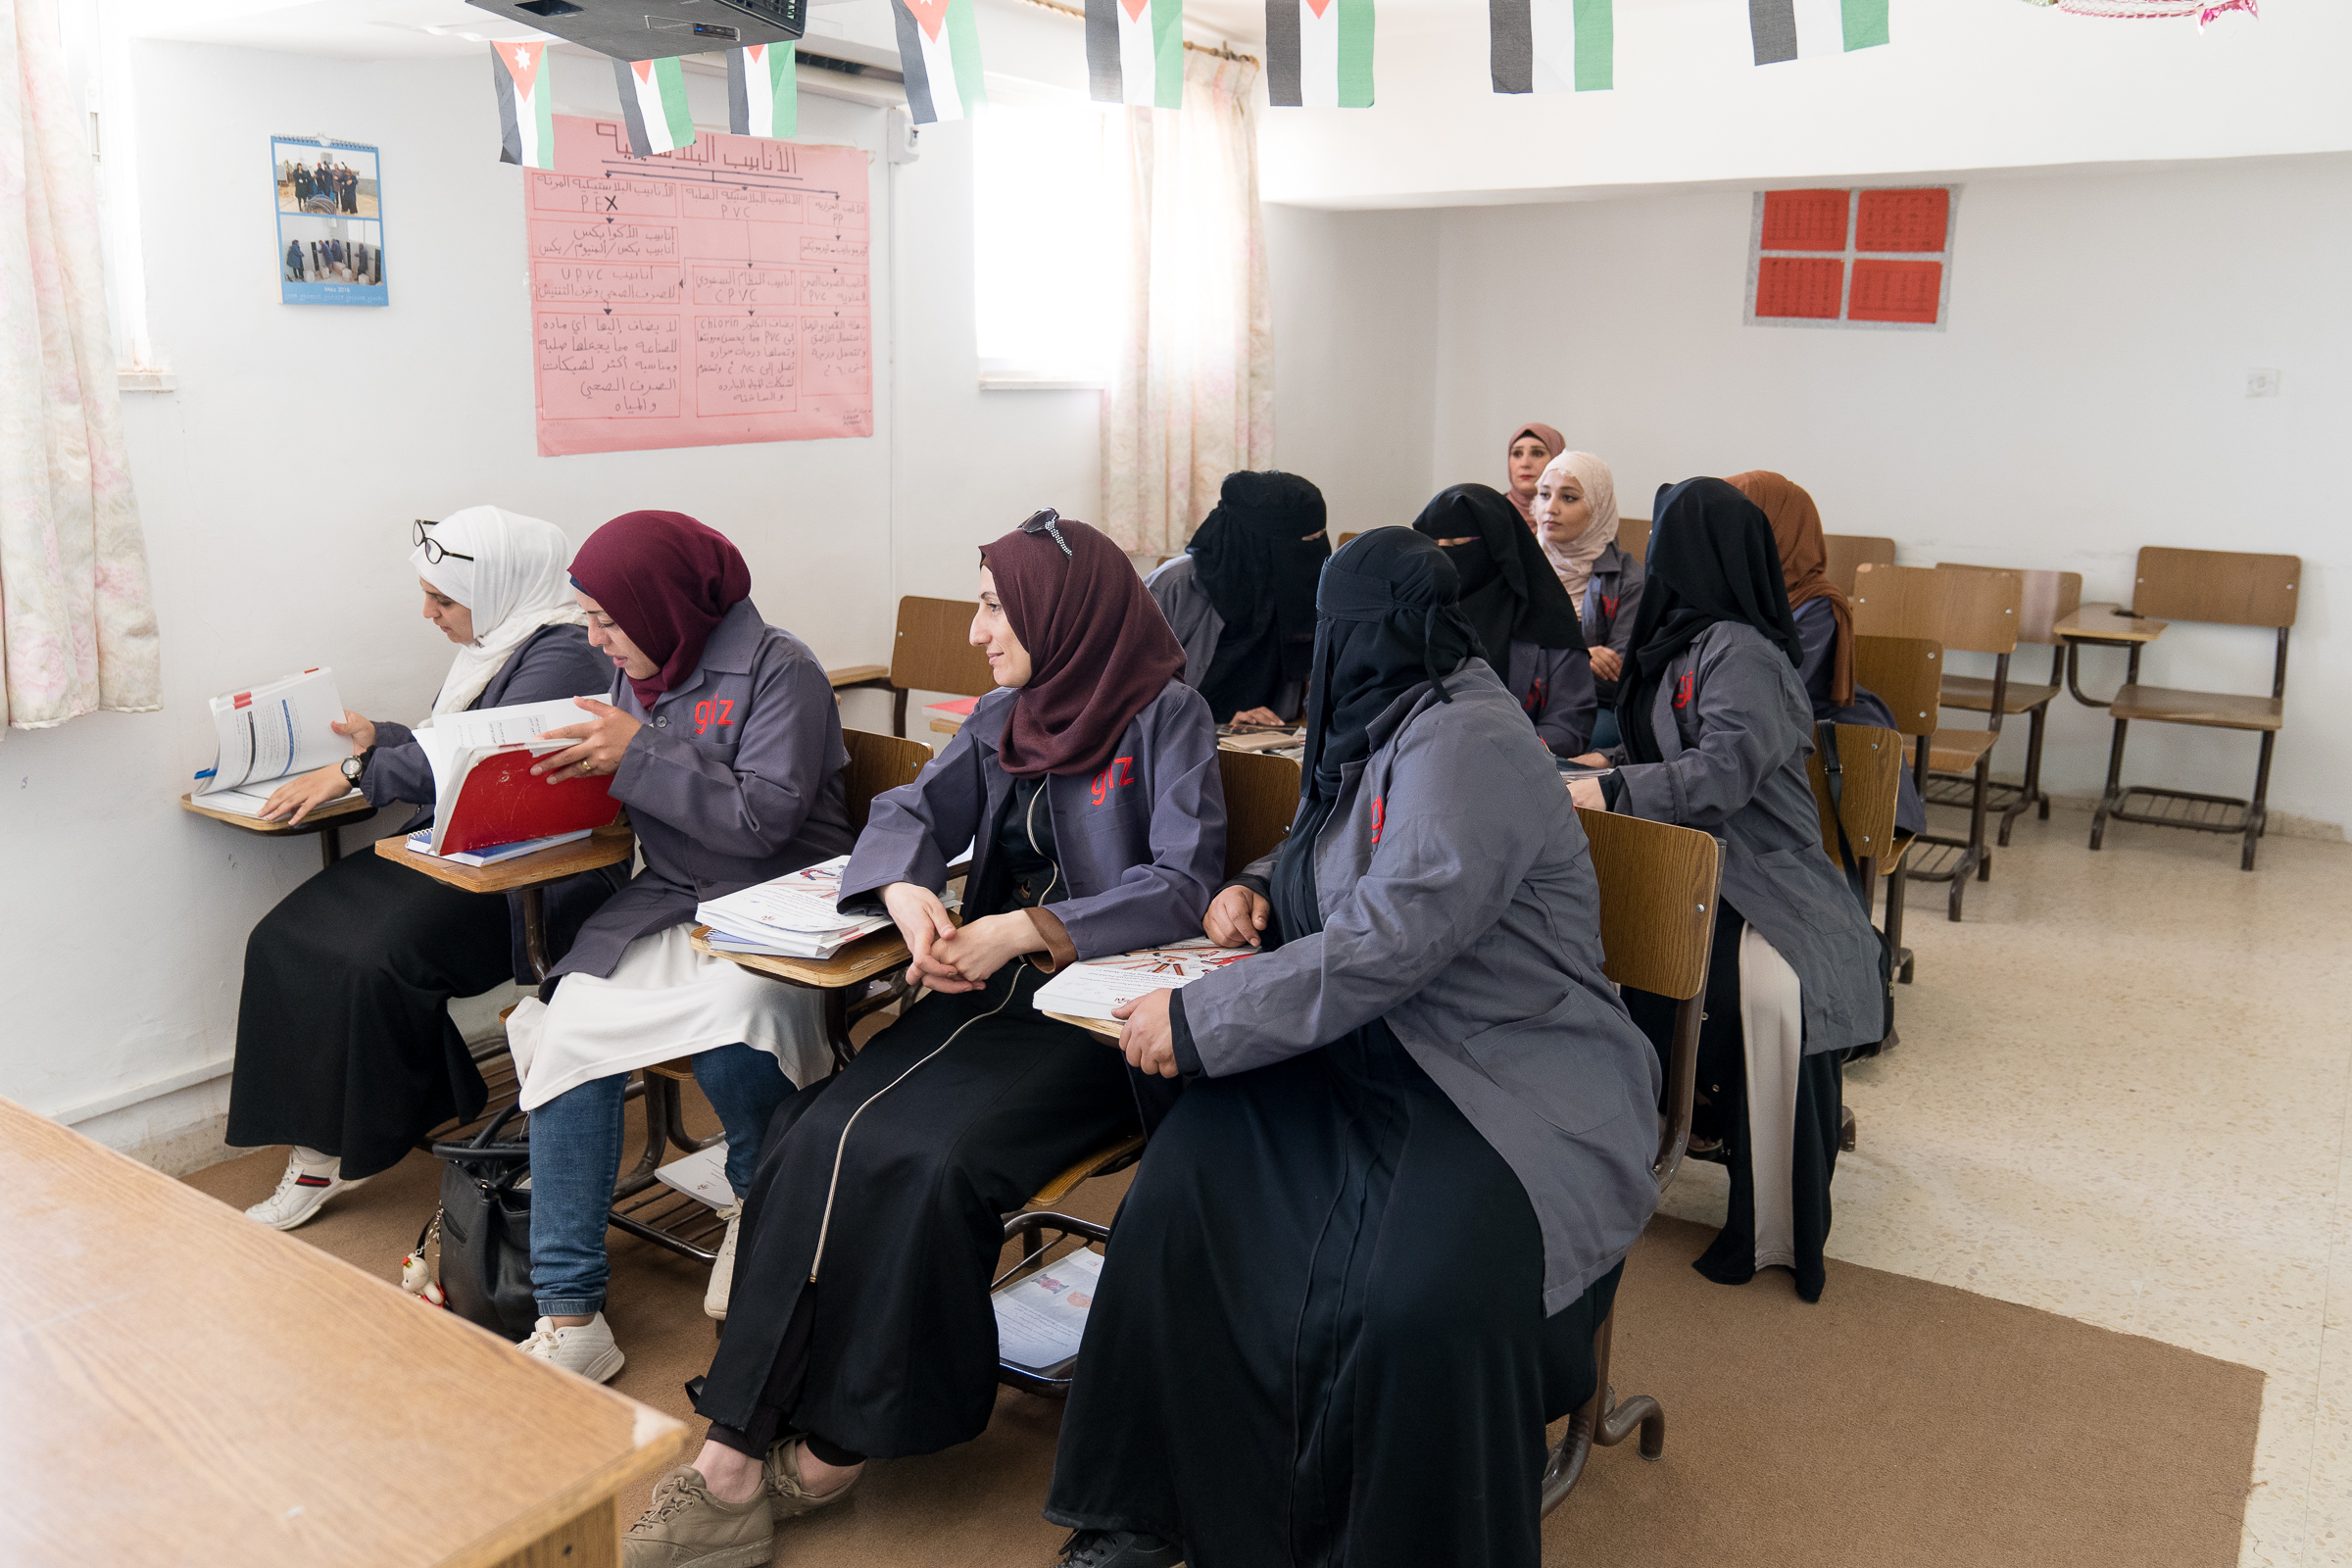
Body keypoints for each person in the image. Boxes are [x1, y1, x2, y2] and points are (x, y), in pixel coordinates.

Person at [1042, 528, 1661, 1568]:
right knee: (1182, 1194)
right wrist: (1257, 882)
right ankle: (1152, 1511)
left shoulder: (1470, 738)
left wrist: (1199, 1022)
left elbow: (1390, 938)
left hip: (1497, 1074)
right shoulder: (1400, 709)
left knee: (1415, 1300)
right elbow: (1343, 836)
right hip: (1370, 1046)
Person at [621, 511, 1225, 1568]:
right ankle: (733, 1453)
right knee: (815, 1132)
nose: (982, 628)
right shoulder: (1005, 712)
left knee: (926, 1160)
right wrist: (907, 893)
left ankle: (844, 1445)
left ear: (1060, 610)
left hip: (1092, 1023)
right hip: (975, 1000)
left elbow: (1182, 879)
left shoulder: (1166, 717)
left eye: (997, 603)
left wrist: (1027, 927)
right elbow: (907, 808)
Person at [504, 510, 855, 1383]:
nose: (595, 639)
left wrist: (640, 751)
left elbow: (763, 821)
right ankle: (570, 1309)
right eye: (588, 617)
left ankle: (756, 1204)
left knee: (741, 1024)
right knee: (570, 1023)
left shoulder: (785, 669)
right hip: (672, 903)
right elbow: (633, 790)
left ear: (664, 606)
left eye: (608, 621)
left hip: (777, 914)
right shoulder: (638, 668)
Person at [225, 508, 616, 1229]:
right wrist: (385, 739)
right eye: (428, 595)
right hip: (453, 843)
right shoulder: (502, 638)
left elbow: (486, 762)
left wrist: (353, 770)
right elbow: (454, 741)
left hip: (532, 870)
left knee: (371, 963)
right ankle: (339, 1139)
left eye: (443, 599)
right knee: (283, 939)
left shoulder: (566, 650)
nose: (429, 614)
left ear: (501, 586)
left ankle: (334, 1151)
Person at [1571, 477, 1886, 1302]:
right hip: (1686, 867)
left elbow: (1723, 774)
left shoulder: (1741, 651)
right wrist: (1597, 769)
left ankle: (1770, 1223)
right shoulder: (1683, 641)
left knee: (1761, 989)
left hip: (1761, 885)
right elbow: (1668, 748)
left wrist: (1612, 793)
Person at [1728, 469, 1926, 836]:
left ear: (1779, 529)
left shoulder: (1816, 603)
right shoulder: (1738, 591)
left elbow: (1779, 684)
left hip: (1823, 730)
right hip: (1770, 726)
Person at [1411, 482, 1596, 756]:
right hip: (1421, 765)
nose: (1442, 557)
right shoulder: (1413, 617)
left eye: (1455, 545)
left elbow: (1569, 726)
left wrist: (1491, 748)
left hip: (1518, 770)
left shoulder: (1546, 616)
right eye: (1432, 547)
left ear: (1495, 547)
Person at [1145, 470, 1329, 726]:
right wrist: (1216, 726)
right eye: (1308, 542)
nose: (1317, 556)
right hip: (1179, 748)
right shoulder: (1172, 588)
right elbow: (1128, 698)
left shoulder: (1302, 590)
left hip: (1270, 751)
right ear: (1259, 544)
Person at [1534, 451, 1641, 752]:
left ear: (1598, 507)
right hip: (1522, 698)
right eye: (1544, 495)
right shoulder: (1519, 568)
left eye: (1568, 498)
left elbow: (1617, 675)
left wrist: (1543, 655)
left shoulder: (1629, 581)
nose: (1550, 509)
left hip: (1591, 708)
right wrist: (1581, 655)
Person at [1501, 420, 1564, 528]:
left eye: (1537, 453)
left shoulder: (1573, 517)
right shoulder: (1490, 514)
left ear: (1557, 459)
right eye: (1517, 454)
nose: (1525, 463)